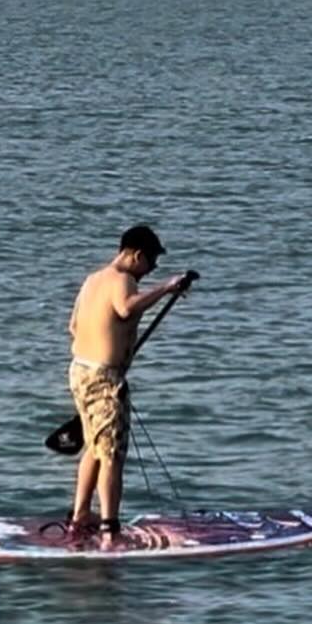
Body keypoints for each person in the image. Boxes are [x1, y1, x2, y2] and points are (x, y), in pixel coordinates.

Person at [67, 224, 193, 538]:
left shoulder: (92, 280)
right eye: (151, 263)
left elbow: (74, 326)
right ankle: (110, 529)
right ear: (136, 255)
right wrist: (165, 288)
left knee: (95, 448)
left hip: (80, 371)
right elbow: (125, 308)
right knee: (111, 453)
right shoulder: (123, 280)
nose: (151, 271)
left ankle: (81, 514)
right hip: (103, 380)